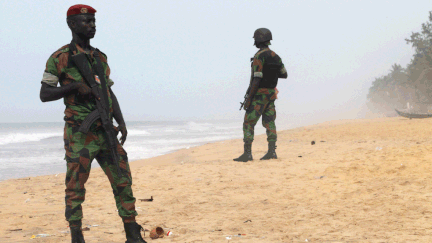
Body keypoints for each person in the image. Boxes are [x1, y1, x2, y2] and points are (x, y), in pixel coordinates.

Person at [39, 4, 146, 243]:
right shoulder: (60, 58)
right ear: (72, 24)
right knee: (75, 186)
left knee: (123, 179)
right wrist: (74, 87)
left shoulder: (100, 57)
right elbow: (45, 94)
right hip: (80, 133)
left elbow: (108, 91)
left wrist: (121, 121)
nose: (92, 26)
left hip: (106, 129)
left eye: (94, 22)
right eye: (86, 22)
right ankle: (76, 236)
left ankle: (132, 233)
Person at [234, 28, 288, 162]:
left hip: (259, 95)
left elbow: (256, 79)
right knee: (270, 122)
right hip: (271, 94)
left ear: (259, 40)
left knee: (248, 123)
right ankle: (272, 152)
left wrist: (249, 98)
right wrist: (272, 75)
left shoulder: (259, 56)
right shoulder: (276, 56)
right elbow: (284, 74)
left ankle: (247, 154)